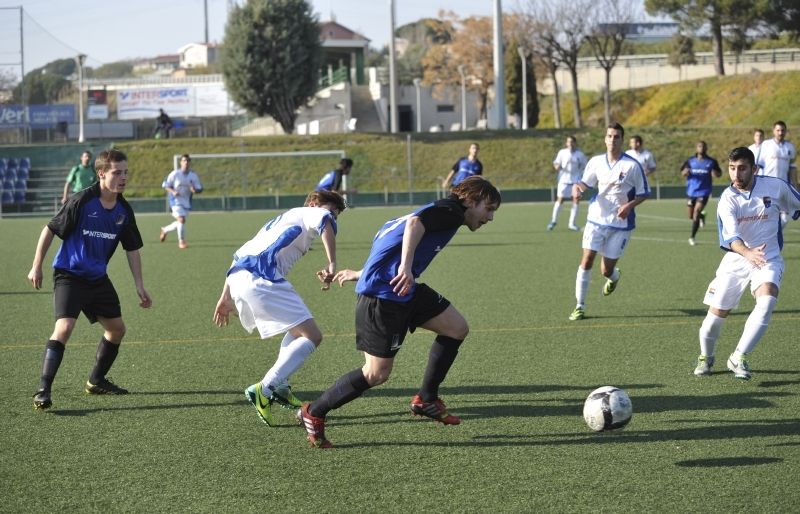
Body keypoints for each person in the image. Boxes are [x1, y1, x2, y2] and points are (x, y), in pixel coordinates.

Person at [298, 176, 501, 448]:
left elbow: (389, 240)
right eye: (488, 209)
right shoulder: (451, 211)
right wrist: (404, 267)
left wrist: (361, 273)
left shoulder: (439, 210)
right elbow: (414, 225)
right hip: (383, 298)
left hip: (403, 289)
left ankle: (426, 399)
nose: (490, 217)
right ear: (471, 201)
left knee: (456, 328)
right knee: (376, 374)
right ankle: (314, 412)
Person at [28, 149, 152, 410]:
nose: (123, 177)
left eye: (126, 172)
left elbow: (132, 249)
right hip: (69, 275)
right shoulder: (82, 200)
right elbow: (50, 229)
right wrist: (36, 266)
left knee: (117, 329)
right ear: (101, 173)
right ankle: (43, 390)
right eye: (117, 172)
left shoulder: (124, 211)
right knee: (64, 328)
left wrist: (139, 284)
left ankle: (96, 381)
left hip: (97, 278)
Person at [212, 189, 346, 427]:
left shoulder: (281, 220)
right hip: (262, 279)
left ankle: (280, 386)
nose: (334, 217)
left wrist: (225, 297)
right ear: (314, 204)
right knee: (313, 336)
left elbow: (239, 255)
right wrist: (332, 264)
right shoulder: (311, 213)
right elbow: (324, 220)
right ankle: (265, 388)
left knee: (297, 330)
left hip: (241, 278)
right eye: (334, 211)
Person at [693, 147, 800, 380]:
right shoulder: (727, 199)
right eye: (732, 168)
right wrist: (748, 253)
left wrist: (755, 255)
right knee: (714, 320)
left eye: (742, 168)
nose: (736, 174)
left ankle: (739, 356)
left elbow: (798, 204)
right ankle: (706, 356)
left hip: (768, 258)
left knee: (767, 300)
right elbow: (731, 239)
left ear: (754, 169)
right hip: (737, 259)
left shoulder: (776, 186)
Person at [568, 123, 650, 321]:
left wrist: (629, 206)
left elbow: (644, 193)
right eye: (610, 136)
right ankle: (580, 305)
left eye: (617, 137)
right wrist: (576, 190)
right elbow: (583, 183)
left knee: (606, 270)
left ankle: (614, 277)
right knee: (587, 259)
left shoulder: (632, 166)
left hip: (621, 225)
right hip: (596, 219)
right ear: (605, 139)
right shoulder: (596, 162)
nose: (613, 140)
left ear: (622, 140)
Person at [681, 141, 722, 246]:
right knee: (691, 215)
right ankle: (702, 216)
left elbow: (719, 173)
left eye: (703, 146)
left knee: (696, 211)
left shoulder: (711, 162)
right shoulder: (690, 161)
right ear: (696, 148)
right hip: (691, 191)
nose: (701, 148)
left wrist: (715, 173)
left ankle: (692, 237)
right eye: (699, 146)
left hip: (704, 191)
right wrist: (685, 172)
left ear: (706, 148)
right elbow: (682, 172)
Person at [159, 154, 203, 249]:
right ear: (181, 162)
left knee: (180, 222)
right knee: (181, 219)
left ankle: (165, 230)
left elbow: (200, 188)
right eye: (184, 160)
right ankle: (181, 242)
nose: (186, 162)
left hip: (186, 202)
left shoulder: (193, 175)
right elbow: (165, 185)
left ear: (190, 163)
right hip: (175, 201)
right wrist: (173, 191)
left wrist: (195, 190)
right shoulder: (175, 174)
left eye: (187, 161)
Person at [758, 121, 797, 224]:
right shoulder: (766, 145)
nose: (780, 133)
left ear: (786, 131)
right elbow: (758, 165)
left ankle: (775, 232)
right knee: (767, 214)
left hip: (783, 186)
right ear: (773, 131)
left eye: (782, 130)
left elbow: (792, 168)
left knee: (785, 217)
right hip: (767, 186)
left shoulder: (790, 147)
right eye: (778, 130)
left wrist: (796, 186)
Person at [548, 135, 587, 231]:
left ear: (575, 143)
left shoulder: (580, 154)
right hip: (563, 181)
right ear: (566, 143)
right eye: (568, 142)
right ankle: (553, 220)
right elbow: (556, 163)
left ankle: (572, 223)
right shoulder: (562, 152)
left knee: (576, 200)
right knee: (560, 200)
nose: (570, 144)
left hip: (575, 182)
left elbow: (585, 166)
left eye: (572, 142)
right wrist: (557, 166)